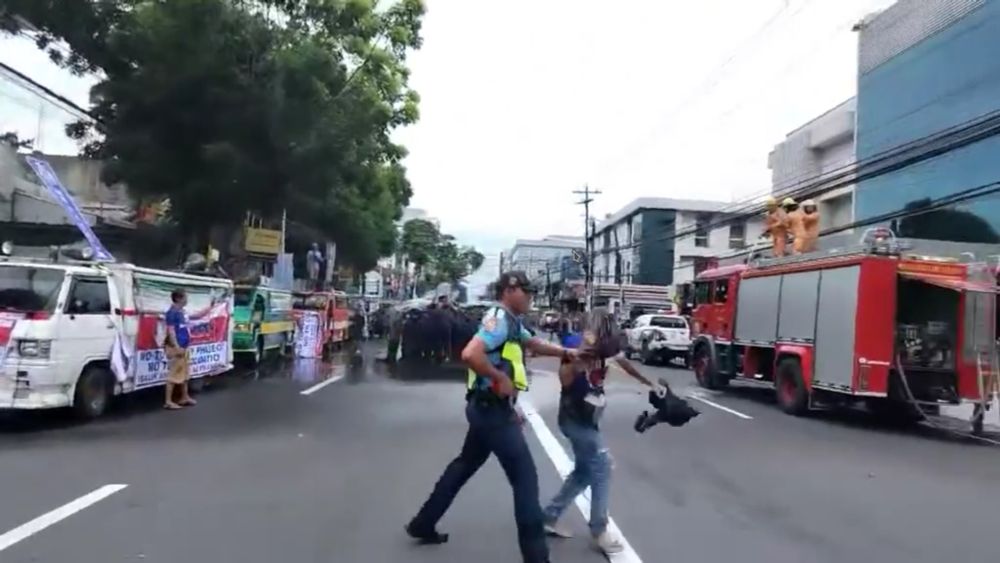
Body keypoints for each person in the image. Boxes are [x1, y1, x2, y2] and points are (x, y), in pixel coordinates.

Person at [406, 271, 585, 563]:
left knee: (464, 465)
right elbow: (470, 353)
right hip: (490, 411)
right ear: (509, 290)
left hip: (489, 409)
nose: (530, 297)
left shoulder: (512, 322)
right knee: (525, 480)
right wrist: (498, 377)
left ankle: (423, 523)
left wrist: (567, 351)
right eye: (526, 291)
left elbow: (534, 344)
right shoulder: (497, 319)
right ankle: (537, 558)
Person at [542, 308, 665, 555]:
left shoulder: (605, 348)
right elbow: (565, 380)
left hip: (589, 418)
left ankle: (549, 515)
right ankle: (599, 530)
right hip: (573, 418)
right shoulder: (577, 346)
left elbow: (625, 364)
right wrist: (579, 361)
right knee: (602, 467)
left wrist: (650, 383)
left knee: (584, 472)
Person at [163, 288, 215, 410]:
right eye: (185, 297)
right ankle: (168, 401)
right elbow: (171, 331)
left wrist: (210, 307)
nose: (187, 300)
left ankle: (184, 397)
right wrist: (177, 347)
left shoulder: (182, 312)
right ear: (178, 299)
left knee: (184, 373)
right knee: (173, 375)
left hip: (184, 346)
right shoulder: (172, 313)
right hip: (176, 347)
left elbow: (196, 316)